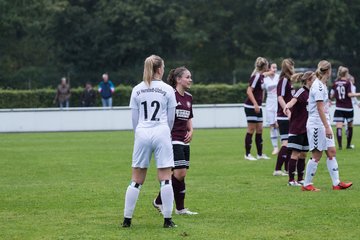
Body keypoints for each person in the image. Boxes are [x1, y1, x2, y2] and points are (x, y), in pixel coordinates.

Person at [122, 55, 178, 228]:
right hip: (161, 131)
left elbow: (134, 119)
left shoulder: (137, 89)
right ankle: (167, 220)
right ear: (159, 69)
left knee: (136, 179)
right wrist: (165, 132)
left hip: (142, 132)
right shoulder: (168, 89)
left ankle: (127, 220)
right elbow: (171, 118)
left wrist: (139, 134)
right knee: (165, 177)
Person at [153, 67, 198, 216]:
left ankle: (180, 208)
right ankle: (159, 200)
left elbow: (189, 117)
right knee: (180, 172)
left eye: (190, 77)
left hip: (184, 140)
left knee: (181, 174)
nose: (190, 79)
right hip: (172, 139)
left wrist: (191, 130)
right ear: (178, 79)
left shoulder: (189, 97)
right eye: (187, 77)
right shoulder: (170, 95)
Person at [302, 60, 352, 191]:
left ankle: (337, 183)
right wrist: (327, 127)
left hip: (323, 123)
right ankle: (307, 184)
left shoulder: (323, 85)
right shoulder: (318, 86)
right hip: (317, 124)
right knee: (317, 155)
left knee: (331, 152)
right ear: (328, 71)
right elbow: (319, 109)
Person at [283, 71, 315, 186]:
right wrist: (287, 106)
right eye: (314, 79)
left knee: (303, 154)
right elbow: (293, 101)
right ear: (308, 80)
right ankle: (291, 180)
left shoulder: (312, 92)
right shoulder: (301, 91)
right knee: (295, 154)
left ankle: (300, 178)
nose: (315, 81)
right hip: (297, 127)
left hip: (306, 128)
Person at [244, 57, 271, 161]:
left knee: (260, 129)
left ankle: (260, 154)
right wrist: (255, 104)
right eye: (267, 65)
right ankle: (247, 154)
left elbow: (266, 74)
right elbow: (249, 91)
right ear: (264, 66)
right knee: (251, 129)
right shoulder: (256, 77)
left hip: (258, 106)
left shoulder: (261, 76)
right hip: (251, 106)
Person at [273, 58, 295, 176]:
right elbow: (280, 97)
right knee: (286, 142)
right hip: (284, 116)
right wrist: (287, 111)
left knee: (290, 142)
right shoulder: (284, 80)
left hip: (288, 115)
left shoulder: (289, 81)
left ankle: (287, 169)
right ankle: (277, 169)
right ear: (290, 67)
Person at [330, 67, 360, 149]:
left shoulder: (335, 83)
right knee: (350, 126)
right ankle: (348, 145)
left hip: (339, 108)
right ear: (346, 73)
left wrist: (330, 100)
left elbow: (331, 95)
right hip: (348, 108)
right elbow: (349, 94)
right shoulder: (348, 82)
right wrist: (358, 94)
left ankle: (339, 146)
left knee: (339, 126)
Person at [262, 62, 280, 155]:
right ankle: (275, 147)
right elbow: (262, 90)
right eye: (273, 67)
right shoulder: (265, 79)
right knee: (272, 125)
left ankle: (284, 145)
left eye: (276, 67)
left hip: (278, 102)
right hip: (270, 103)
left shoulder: (278, 77)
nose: (275, 69)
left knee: (279, 124)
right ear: (269, 68)